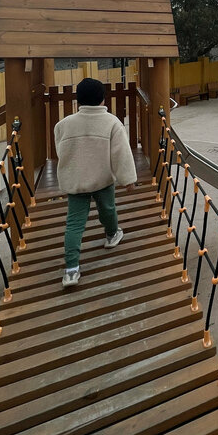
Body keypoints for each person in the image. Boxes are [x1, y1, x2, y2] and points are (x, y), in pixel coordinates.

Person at [54, 77, 137, 288]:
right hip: (102, 179)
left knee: (74, 224)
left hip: (76, 181)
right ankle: (111, 235)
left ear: (78, 100)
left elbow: (61, 152)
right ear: (102, 99)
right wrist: (128, 180)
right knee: (108, 209)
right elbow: (122, 155)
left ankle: (71, 270)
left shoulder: (64, 125)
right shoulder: (111, 122)